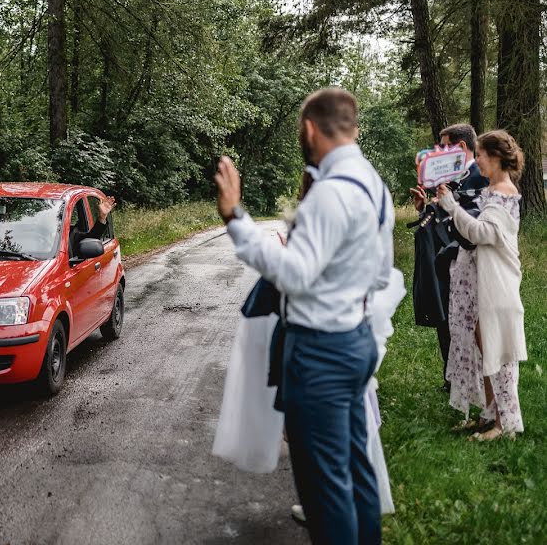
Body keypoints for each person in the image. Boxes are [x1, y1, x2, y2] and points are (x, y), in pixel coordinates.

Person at [216, 88, 394, 545]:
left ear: (310, 129)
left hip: (320, 353)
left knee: (324, 490)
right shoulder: (374, 186)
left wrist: (236, 218)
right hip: (355, 340)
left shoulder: (330, 194)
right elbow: (378, 275)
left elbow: (294, 275)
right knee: (356, 473)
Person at [436, 130, 527, 441]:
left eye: (480, 155)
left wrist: (451, 206)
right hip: (483, 283)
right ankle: (490, 413)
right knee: (483, 345)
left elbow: (480, 233)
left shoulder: (504, 193)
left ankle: (505, 425)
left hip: (498, 285)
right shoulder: (490, 190)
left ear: (496, 157)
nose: (476, 161)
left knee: (498, 351)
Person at [409, 124, 489, 390]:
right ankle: (452, 375)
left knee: (466, 319)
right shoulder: (452, 178)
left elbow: (471, 218)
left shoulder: (479, 177)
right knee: (446, 316)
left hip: (468, 257)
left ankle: (472, 378)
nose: (439, 152)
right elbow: (443, 215)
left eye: (443, 146)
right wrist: (425, 208)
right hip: (446, 257)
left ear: (462, 147)